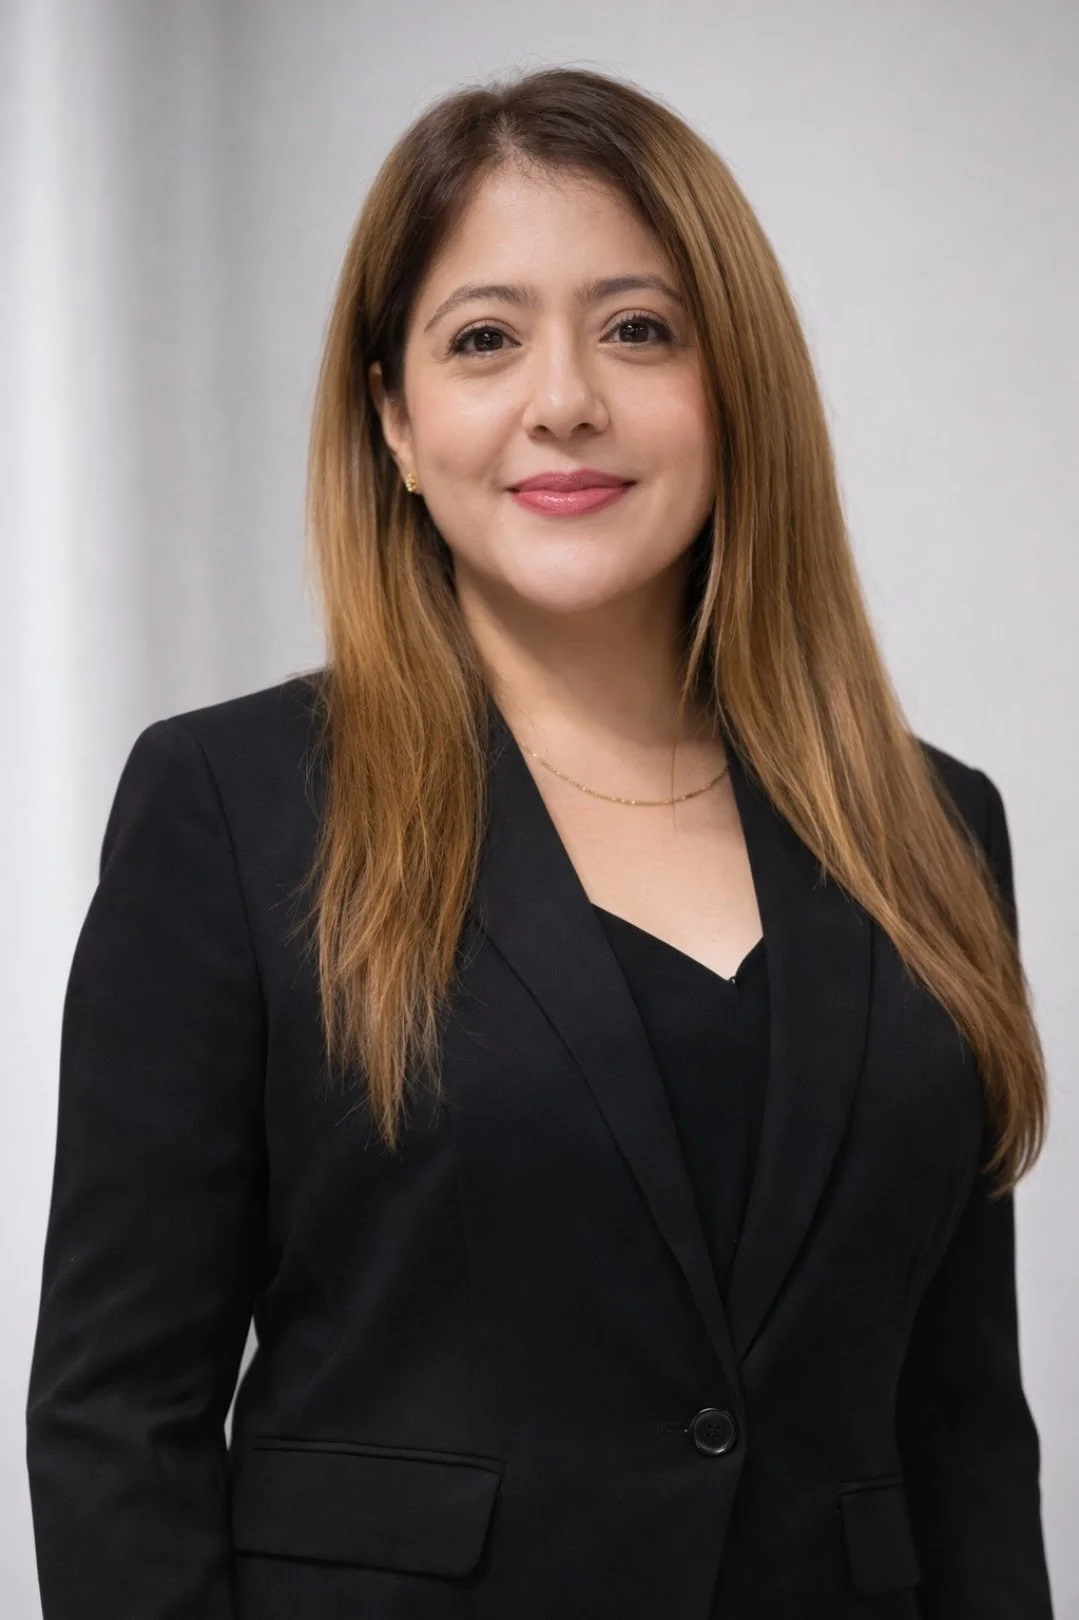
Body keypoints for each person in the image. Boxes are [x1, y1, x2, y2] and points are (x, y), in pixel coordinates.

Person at [26, 65, 1053, 1620]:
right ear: (393, 414)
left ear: (734, 390)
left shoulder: (927, 828)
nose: (563, 397)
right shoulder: (232, 807)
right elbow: (118, 1420)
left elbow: (963, 1434)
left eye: (639, 330)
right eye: (483, 339)